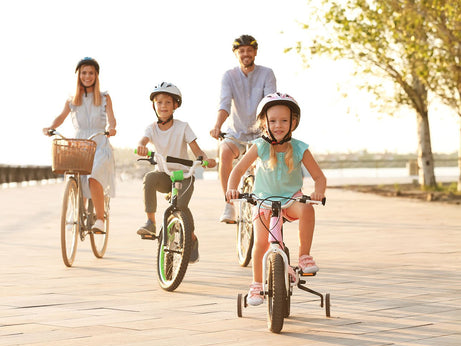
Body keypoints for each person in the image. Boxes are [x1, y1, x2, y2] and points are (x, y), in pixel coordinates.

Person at [226, 92, 326, 306]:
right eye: (273, 121)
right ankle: (256, 284)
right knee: (261, 244)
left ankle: (304, 256)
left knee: (307, 208)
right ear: (265, 123)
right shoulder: (260, 146)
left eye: (284, 120)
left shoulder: (299, 148)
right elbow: (239, 169)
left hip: (290, 200)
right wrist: (231, 189)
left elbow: (319, 177)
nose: (278, 125)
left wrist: (318, 192)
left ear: (293, 122)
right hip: (264, 201)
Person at [136, 82, 216, 263]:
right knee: (149, 178)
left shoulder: (183, 127)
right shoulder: (152, 128)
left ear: (175, 105)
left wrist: (205, 159)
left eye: (167, 102)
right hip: (164, 175)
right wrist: (141, 147)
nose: (163, 106)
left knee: (181, 205)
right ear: (154, 106)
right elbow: (143, 140)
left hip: (184, 175)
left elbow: (197, 151)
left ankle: (192, 239)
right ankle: (150, 222)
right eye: (159, 102)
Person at [42, 57, 117, 233]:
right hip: (80, 144)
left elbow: (112, 119)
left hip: (99, 142)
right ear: (78, 75)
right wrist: (51, 127)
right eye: (83, 72)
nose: (87, 76)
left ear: (96, 75)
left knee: (93, 176)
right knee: (76, 177)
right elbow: (60, 117)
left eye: (91, 73)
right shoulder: (72, 101)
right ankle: (75, 213)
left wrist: (112, 128)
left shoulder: (105, 97)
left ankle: (99, 219)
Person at [210, 34, 277, 223]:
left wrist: (271, 129)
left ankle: (270, 204)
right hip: (236, 132)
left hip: (261, 133)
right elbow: (224, 104)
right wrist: (217, 126)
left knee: (269, 165)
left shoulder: (267, 73)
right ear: (236, 54)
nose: (245, 54)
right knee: (224, 153)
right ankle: (229, 205)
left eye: (249, 50)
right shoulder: (229, 76)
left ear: (255, 52)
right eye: (241, 51)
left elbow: (269, 103)